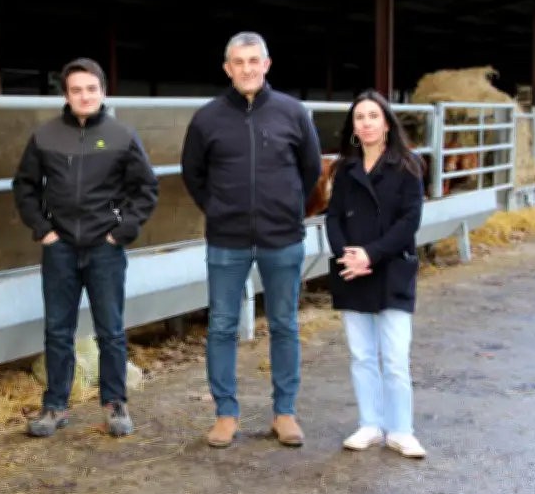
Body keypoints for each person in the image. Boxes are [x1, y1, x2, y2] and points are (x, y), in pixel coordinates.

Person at [181, 32, 323, 448]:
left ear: (267, 64)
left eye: (253, 60)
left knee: (284, 324)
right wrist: (219, 208)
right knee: (222, 325)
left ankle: (285, 413)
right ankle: (226, 415)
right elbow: (194, 174)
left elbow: (310, 169)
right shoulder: (207, 118)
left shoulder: (292, 113)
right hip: (227, 238)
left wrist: (287, 206)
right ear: (227, 68)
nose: (246, 68)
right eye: (238, 62)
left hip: (282, 237)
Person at [12, 57, 159, 438]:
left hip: (104, 247)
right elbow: (25, 187)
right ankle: (55, 407)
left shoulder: (121, 136)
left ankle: (114, 403)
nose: (84, 96)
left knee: (110, 329)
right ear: (65, 94)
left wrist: (120, 232)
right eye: (76, 90)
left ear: (103, 92)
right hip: (59, 246)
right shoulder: (45, 136)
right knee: (58, 330)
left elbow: (146, 189)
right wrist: (43, 231)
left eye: (91, 89)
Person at [325, 88, 427, 458]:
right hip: (352, 270)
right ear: (353, 126)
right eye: (359, 117)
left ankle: (401, 430)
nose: (366, 123)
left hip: (391, 268)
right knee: (362, 355)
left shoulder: (407, 165)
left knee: (396, 356)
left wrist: (372, 254)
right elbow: (333, 217)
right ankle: (370, 424)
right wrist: (346, 255)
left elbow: (410, 220)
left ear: (386, 122)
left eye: (373, 116)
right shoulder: (345, 169)